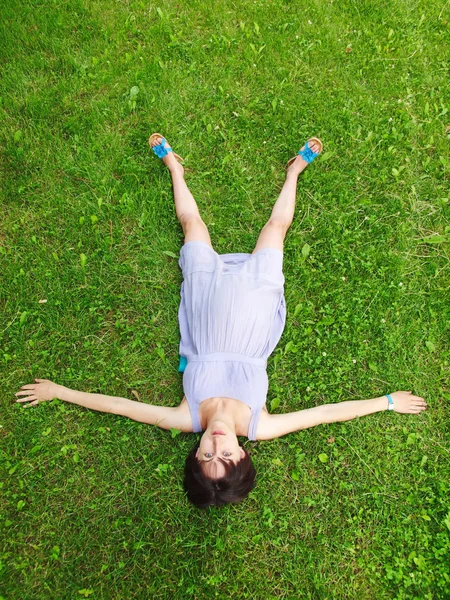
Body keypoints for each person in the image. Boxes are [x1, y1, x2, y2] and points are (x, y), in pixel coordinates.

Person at [15, 134, 427, 508]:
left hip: (205, 299)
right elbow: (325, 413)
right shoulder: (259, 425)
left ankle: (175, 166)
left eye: (207, 456)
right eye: (227, 456)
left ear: (194, 455)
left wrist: (59, 391)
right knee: (276, 228)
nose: (217, 445)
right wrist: (387, 402)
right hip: (256, 303)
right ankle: (295, 170)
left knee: (192, 225)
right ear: (243, 455)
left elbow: (120, 407)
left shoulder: (184, 417)